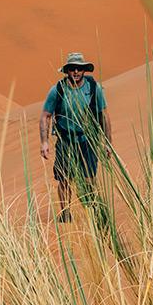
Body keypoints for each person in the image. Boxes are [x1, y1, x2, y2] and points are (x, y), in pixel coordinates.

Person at [39, 51, 112, 223]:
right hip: (65, 141)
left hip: (88, 140)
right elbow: (45, 115)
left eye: (79, 68)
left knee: (89, 179)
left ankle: (94, 212)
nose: (76, 72)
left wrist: (108, 143)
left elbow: (104, 115)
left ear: (84, 70)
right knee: (64, 179)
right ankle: (65, 213)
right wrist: (44, 142)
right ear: (67, 70)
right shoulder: (57, 90)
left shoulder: (94, 88)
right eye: (72, 68)